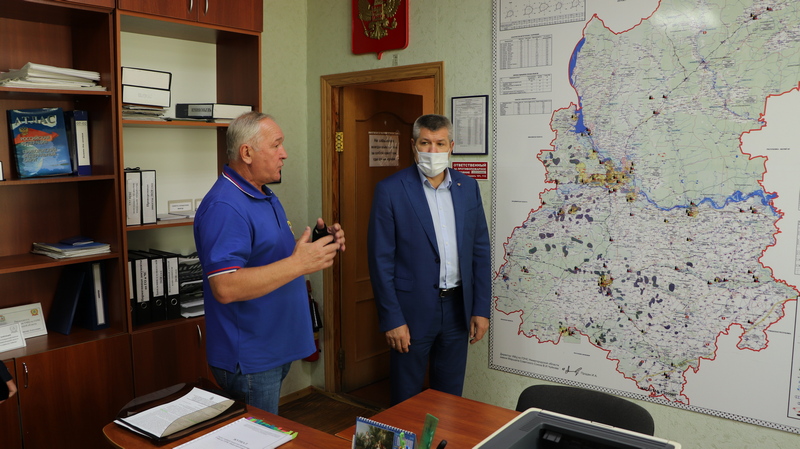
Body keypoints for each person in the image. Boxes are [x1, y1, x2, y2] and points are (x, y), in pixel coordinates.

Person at [194, 112, 345, 414]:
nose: (284, 153)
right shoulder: (225, 206)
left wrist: (315, 246)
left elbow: (269, 256)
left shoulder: (263, 194)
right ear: (246, 153)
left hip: (274, 346)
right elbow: (225, 286)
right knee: (259, 436)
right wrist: (300, 264)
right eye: (276, 145)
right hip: (251, 356)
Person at [367, 114, 491, 405]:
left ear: (451, 147)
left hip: (458, 309)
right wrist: (392, 319)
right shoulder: (390, 190)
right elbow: (380, 261)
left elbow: (480, 250)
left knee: (449, 398)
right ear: (413, 145)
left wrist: (481, 309)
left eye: (440, 144)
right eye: (425, 143)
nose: (432, 151)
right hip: (411, 312)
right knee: (405, 399)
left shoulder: (467, 187)